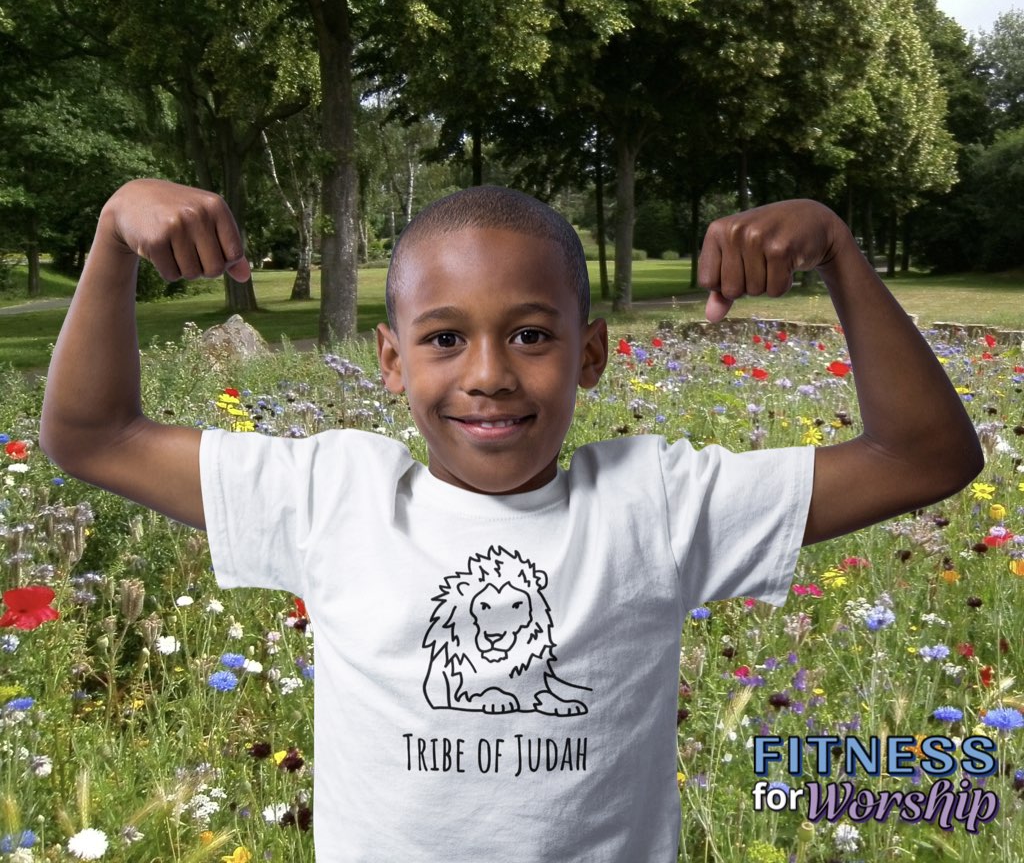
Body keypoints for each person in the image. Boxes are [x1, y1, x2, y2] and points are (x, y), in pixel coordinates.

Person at [40, 178, 982, 863]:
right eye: (444, 338)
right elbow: (93, 434)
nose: (488, 372)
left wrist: (840, 253)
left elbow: (926, 457)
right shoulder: (331, 495)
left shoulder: (653, 504)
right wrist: (115, 231)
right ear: (391, 360)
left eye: (531, 335)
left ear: (591, 354)